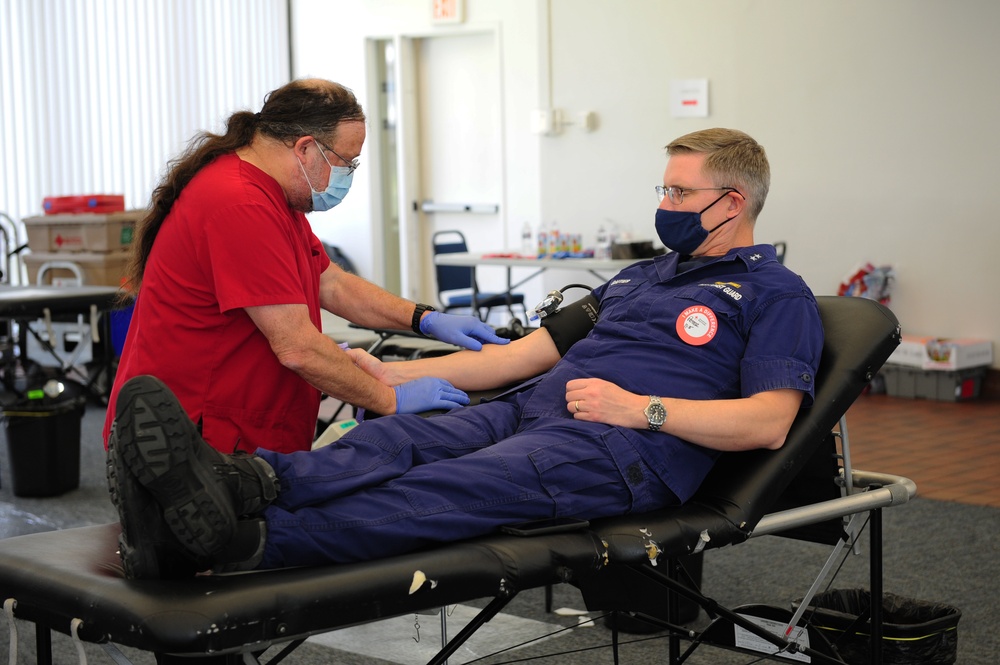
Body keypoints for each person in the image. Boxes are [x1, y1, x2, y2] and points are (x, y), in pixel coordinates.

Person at [107, 128, 824, 580]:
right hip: (527, 410)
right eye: (662, 187)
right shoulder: (638, 277)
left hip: (619, 448)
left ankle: (234, 542)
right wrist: (384, 375)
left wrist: (642, 410)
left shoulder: (774, 294)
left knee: (446, 491)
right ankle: (237, 482)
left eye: (678, 190)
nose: (664, 202)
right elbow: (517, 358)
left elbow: (766, 422)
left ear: (731, 203)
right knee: (396, 437)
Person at [103, 79, 508, 456]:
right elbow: (297, 347)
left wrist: (424, 318)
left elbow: (330, 284)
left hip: (231, 425)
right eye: (346, 162)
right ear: (306, 148)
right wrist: (389, 399)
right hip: (195, 433)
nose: (347, 174)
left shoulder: (271, 196)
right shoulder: (240, 204)